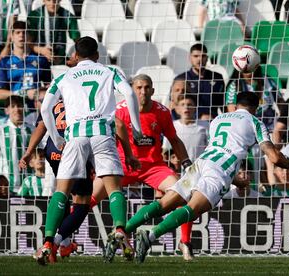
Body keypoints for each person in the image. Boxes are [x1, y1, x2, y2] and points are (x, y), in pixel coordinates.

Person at [116, 92, 289, 263]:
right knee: (193, 209)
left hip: (201, 164)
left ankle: (121, 232)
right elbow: (273, 157)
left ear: (236, 104)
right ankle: (149, 237)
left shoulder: (218, 119)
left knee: (165, 203)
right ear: (256, 108)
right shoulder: (255, 122)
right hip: (218, 171)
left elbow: (222, 149)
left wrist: (236, 180)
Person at [34, 36, 142, 265]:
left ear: (76, 55)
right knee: (114, 189)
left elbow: (45, 107)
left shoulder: (64, 76)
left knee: (61, 192)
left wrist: (56, 137)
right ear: (96, 55)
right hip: (103, 133)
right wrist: (138, 129)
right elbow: (130, 94)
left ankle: (47, 243)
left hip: (76, 136)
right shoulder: (109, 71)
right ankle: (121, 229)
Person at [100, 74, 195, 262]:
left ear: (152, 90)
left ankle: (185, 242)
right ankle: (59, 242)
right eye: (139, 87)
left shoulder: (162, 112)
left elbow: (174, 139)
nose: (143, 91)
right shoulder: (119, 111)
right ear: (131, 90)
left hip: (153, 166)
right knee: (89, 197)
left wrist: (186, 162)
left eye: (147, 87)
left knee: (184, 192)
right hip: (124, 164)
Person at [0, 95, 33, 193]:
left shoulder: (32, 130)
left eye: (19, 105)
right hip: (5, 187)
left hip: (29, 185)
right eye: (13, 106)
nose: (17, 109)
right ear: (6, 110)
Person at [0, 21, 51, 102]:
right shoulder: (5, 62)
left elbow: (50, 87)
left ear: (29, 36)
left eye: (24, 32)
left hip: (36, 106)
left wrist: (39, 93)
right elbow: (0, 94)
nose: (21, 35)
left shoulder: (41, 60)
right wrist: (22, 93)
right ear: (11, 37)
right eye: (17, 32)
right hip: (15, 106)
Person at [175, 43, 225, 118]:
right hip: (188, 122)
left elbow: (224, 105)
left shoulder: (217, 78)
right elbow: (174, 106)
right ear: (190, 58)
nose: (200, 59)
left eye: (203, 56)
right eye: (196, 56)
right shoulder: (181, 79)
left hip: (212, 121)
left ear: (207, 58)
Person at [225, 66, 282, 131]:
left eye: (249, 64)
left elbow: (280, 102)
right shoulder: (234, 85)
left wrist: (281, 122)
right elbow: (232, 112)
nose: (247, 67)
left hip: (270, 125)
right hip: (246, 127)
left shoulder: (267, 80)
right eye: (244, 65)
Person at [27, 0, 80, 65]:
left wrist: (76, 57)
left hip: (60, 59)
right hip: (38, 57)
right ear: (44, 1)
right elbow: (28, 42)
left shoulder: (68, 16)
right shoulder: (34, 16)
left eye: (55, 0)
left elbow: (78, 41)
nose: (52, 3)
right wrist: (41, 50)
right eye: (49, 0)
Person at [164, 94, 209, 162]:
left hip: (198, 168)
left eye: (189, 104)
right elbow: (165, 151)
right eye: (183, 104)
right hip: (178, 169)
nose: (186, 107)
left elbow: (210, 148)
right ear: (177, 109)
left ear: (195, 107)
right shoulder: (171, 125)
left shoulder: (205, 125)